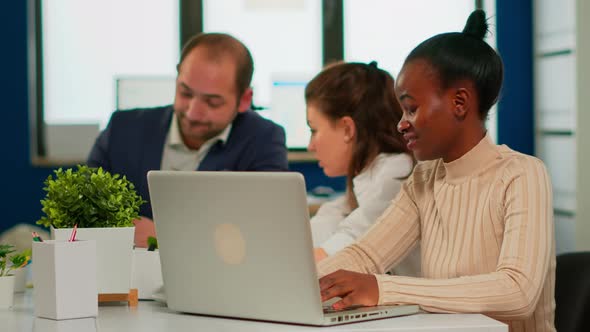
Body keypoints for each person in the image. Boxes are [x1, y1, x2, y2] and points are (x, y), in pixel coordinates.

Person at [317, 10, 555, 332]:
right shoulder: (423, 181)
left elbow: (517, 291)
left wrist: (382, 289)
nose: (401, 124)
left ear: (459, 102)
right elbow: (365, 255)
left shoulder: (522, 175)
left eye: (411, 108)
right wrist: (301, 287)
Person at [87, 33, 288, 247]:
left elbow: (265, 232)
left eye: (212, 102)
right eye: (185, 93)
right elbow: (81, 212)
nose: (193, 113)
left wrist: (163, 236)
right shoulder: (123, 129)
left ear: (244, 100)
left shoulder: (263, 139)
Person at [305, 61, 420, 276]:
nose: (310, 146)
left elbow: (352, 245)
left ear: (348, 128)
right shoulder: (370, 176)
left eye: (314, 130)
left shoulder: (396, 174)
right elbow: (331, 220)